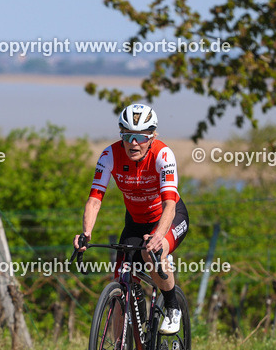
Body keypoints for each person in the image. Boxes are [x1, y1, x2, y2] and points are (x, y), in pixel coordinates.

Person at [73, 103, 189, 335]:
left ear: (152, 136)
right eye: (127, 135)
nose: (133, 143)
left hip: (168, 217)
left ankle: (172, 306)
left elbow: (169, 204)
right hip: (135, 222)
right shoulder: (109, 155)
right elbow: (95, 199)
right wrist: (86, 233)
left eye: (140, 137)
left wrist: (157, 237)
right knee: (121, 284)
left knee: (151, 252)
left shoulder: (163, 155)